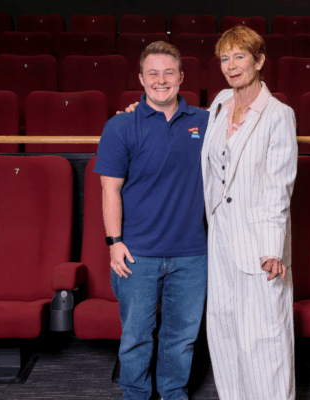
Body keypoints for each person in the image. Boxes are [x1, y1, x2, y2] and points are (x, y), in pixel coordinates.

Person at [94, 41, 209, 400]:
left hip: (192, 254)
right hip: (137, 254)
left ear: (181, 77)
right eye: (153, 74)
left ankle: (174, 393)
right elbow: (109, 190)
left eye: (169, 73)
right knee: (136, 337)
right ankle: (135, 395)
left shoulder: (206, 122)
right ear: (141, 79)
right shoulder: (120, 126)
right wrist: (114, 243)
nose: (162, 81)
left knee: (182, 338)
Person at [202, 26, 298, 400]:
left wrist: (272, 248)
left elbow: (279, 185)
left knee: (265, 339)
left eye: (239, 57)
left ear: (259, 61)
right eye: (224, 58)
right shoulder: (221, 102)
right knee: (224, 333)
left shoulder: (279, 115)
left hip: (260, 243)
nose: (231, 66)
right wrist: (139, 109)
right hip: (220, 237)